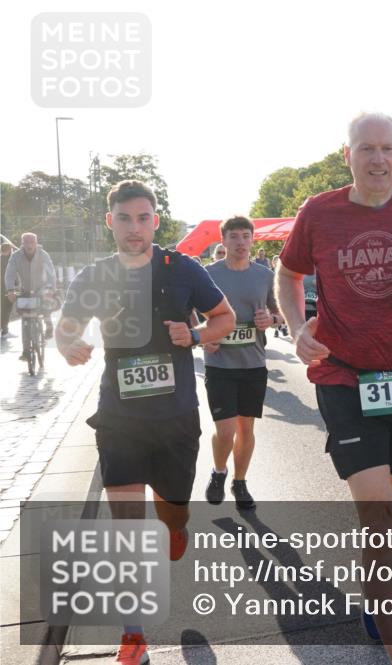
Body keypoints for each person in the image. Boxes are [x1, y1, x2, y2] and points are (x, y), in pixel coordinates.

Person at [276, 112, 392, 665]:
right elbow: (286, 274)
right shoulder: (320, 212)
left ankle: (377, 598)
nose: (379, 159)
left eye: (388, 149)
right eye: (367, 149)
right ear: (348, 155)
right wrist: (295, 328)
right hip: (345, 377)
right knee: (379, 523)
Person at [55, 180, 235, 665]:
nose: (134, 227)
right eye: (125, 218)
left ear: (155, 220)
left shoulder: (183, 269)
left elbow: (225, 317)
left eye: (143, 217)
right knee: (128, 526)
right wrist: (67, 345)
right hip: (120, 416)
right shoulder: (94, 276)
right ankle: (133, 633)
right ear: (109, 221)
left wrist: (195, 333)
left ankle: (176, 527)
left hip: (176, 416)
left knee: (171, 511)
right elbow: (65, 326)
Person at [202, 215, 283, 510]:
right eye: (233, 236)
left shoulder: (264, 275)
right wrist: (203, 335)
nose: (240, 242)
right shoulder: (208, 274)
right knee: (225, 430)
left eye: (245, 236)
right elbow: (190, 311)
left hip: (253, 363)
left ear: (253, 240)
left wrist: (271, 319)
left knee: (246, 429)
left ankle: (240, 482)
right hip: (219, 363)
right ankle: (218, 471)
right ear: (223, 241)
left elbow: (280, 313)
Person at [5, 232, 57, 357]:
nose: (29, 245)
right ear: (22, 244)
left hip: (41, 288)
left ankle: (48, 323)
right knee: (25, 318)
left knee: (45, 304)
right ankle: (26, 351)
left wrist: (50, 288)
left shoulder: (43, 255)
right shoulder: (16, 256)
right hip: (25, 289)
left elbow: (51, 273)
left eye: (32, 242)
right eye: (26, 242)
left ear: (36, 243)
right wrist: (10, 290)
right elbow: (10, 273)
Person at [1, 237, 14, 337]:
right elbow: (13, 275)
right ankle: (5, 329)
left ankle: (4, 328)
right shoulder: (9, 261)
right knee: (6, 309)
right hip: (6, 289)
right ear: (9, 250)